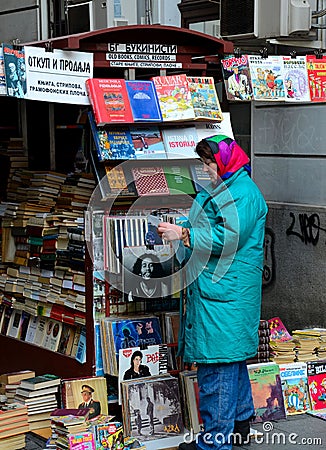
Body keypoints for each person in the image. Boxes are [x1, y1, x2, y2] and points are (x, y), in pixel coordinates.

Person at [157, 135, 268, 450]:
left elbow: (226, 237)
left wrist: (185, 234)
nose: (206, 170)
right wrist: (180, 227)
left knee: (216, 367)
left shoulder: (243, 193)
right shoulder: (228, 187)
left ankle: (215, 440)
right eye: (204, 163)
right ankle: (240, 424)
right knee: (230, 361)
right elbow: (209, 223)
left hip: (226, 294)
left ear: (225, 161)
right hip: (222, 292)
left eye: (209, 163)